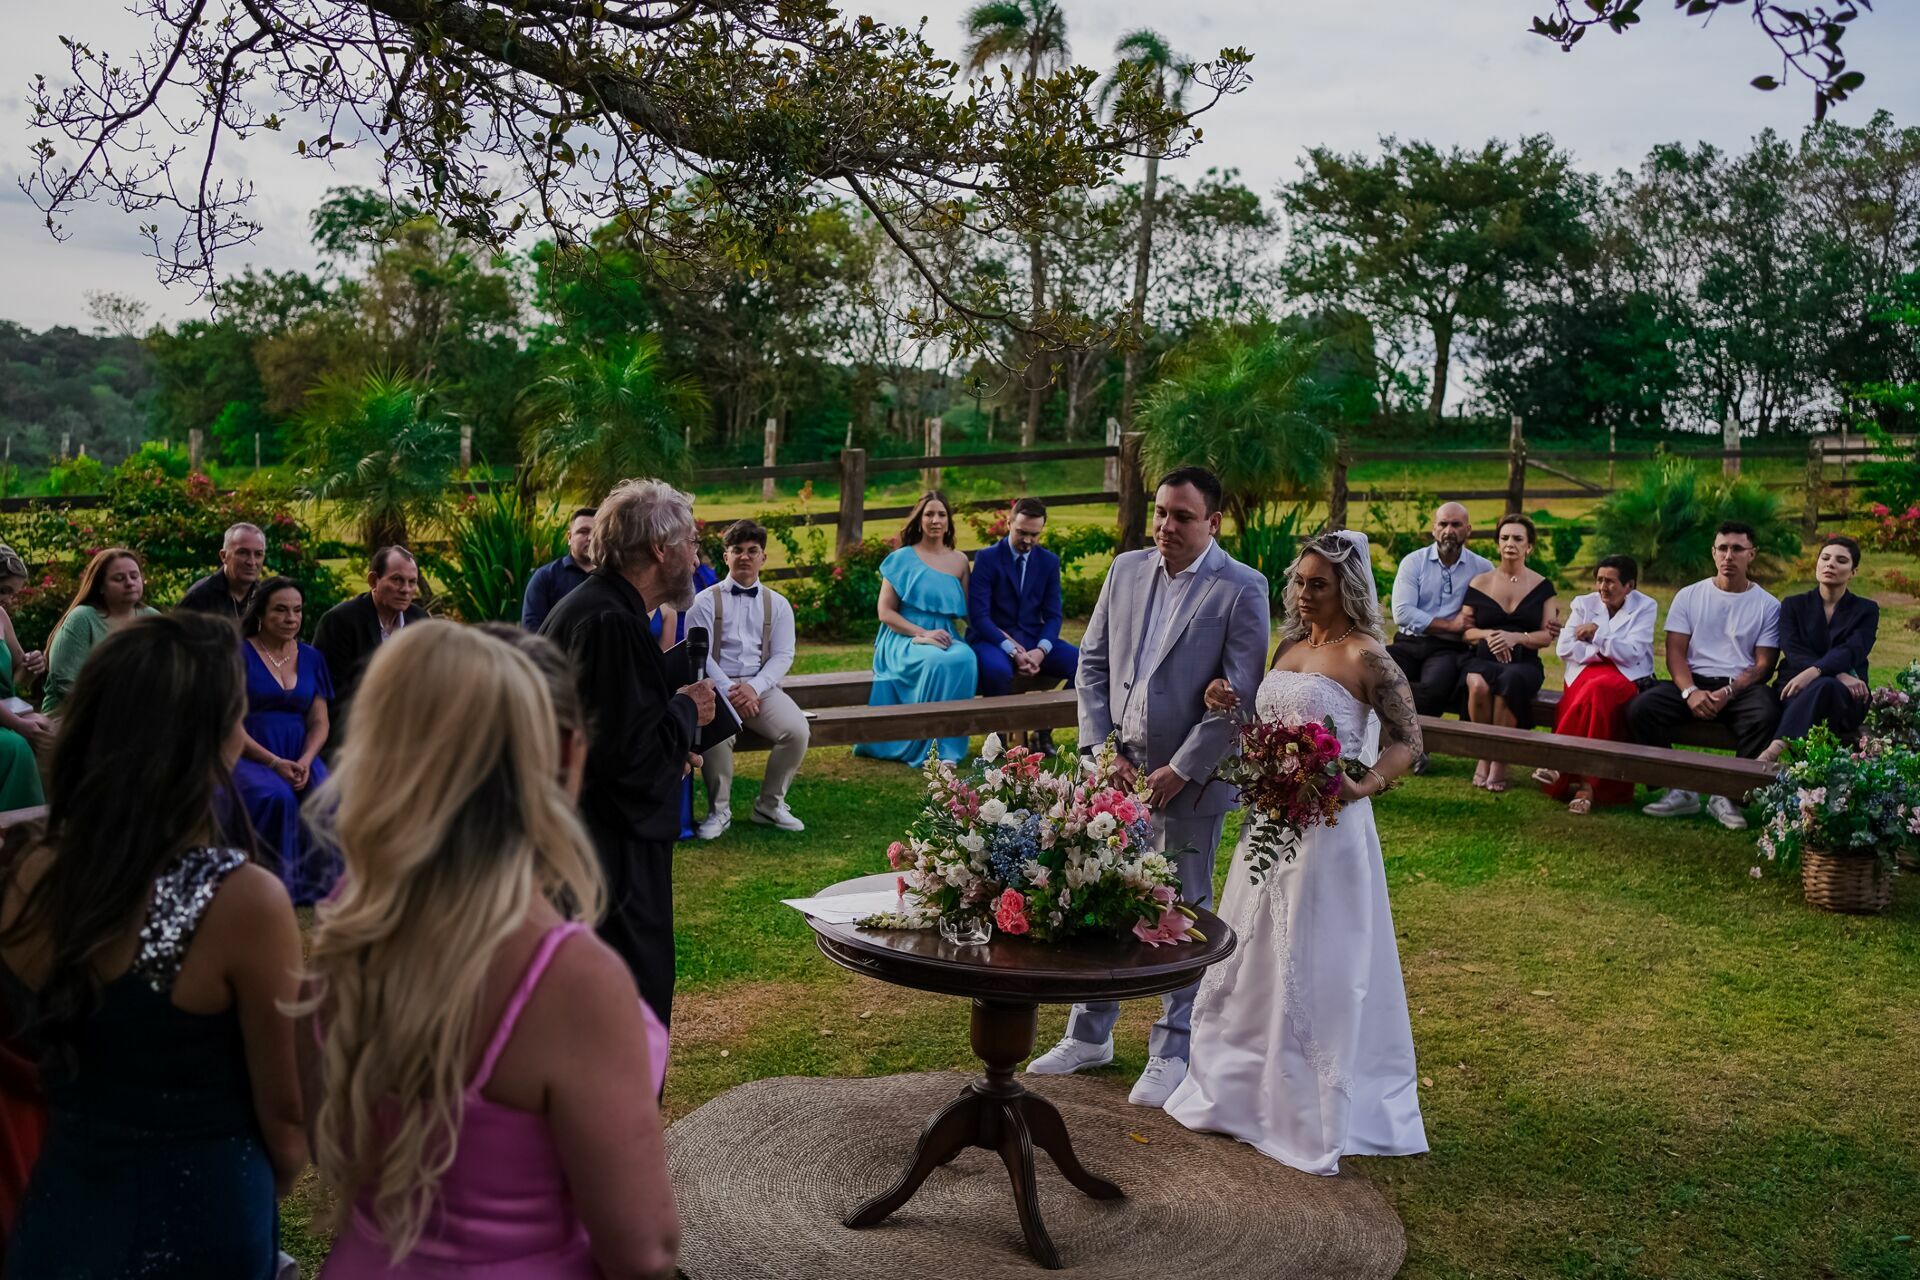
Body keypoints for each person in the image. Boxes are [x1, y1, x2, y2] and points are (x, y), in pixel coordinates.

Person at [300, 623, 679, 1280]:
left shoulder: (346, 927)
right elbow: (643, 1251)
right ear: (566, 753)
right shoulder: (569, 977)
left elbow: (321, 1134)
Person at [0, 612, 306, 1277]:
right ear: (208, 736)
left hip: (63, 1205)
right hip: (202, 1215)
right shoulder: (241, 900)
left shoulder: (24, 869)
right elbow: (286, 1117)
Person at [1163, 530, 1428, 1175]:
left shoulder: (1369, 658)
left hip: (1329, 833)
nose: (1305, 595)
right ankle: (1237, 1090)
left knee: (1317, 957)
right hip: (1269, 827)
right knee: (1253, 952)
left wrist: (1362, 784)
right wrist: (1230, 708)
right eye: (1301, 583)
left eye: (1320, 585)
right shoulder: (1289, 646)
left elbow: (1410, 741)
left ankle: (1308, 1104)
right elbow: (1267, 730)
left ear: (1348, 589)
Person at [1028, 467, 1270, 1106]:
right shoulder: (1126, 569)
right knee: (1099, 892)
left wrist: (1182, 768)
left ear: (1213, 523)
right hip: (1112, 773)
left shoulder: (1243, 590)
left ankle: (1173, 1046)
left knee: (1183, 908)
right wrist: (1101, 751)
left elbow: (1237, 696)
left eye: (1182, 517)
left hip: (1186, 785)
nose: (1166, 526)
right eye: (1161, 513)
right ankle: (1090, 1034)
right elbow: (1093, 665)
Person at [540, 479, 716, 1031]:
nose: (696, 555)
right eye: (690, 542)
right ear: (660, 549)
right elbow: (628, 761)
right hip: (608, 862)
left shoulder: (603, 612)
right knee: (628, 1002)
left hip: (587, 850)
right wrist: (686, 712)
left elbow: (618, 725)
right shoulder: (610, 623)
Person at [1628, 521, 1782, 830]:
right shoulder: (1689, 595)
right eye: (1722, 548)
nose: (1729, 556)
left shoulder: (1768, 605)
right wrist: (1690, 692)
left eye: (1737, 549)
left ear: (1752, 554)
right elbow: (1674, 653)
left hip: (1740, 689)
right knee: (1641, 708)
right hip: (1693, 681)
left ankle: (1729, 794)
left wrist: (1728, 692)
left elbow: (1763, 665)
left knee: (1767, 710)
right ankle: (1678, 789)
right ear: (1713, 553)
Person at [685, 520, 809, 838]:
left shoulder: (778, 604)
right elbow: (698, 655)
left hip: (760, 687)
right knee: (716, 735)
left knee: (796, 731)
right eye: (737, 550)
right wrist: (729, 689)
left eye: (752, 551)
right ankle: (719, 811)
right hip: (716, 687)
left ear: (763, 558)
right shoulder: (703, 602)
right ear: (726, 556)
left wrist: (753, 688)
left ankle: (769, 806)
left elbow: (783, 655)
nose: (744, 557)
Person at [853, 491, 979, 765]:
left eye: (941, 514)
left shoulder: (959, 561)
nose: (935, 520)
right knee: (935, 662)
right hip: (903, 636)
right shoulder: (901, 558)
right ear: (919, 520)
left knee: (966, 657)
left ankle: (947, 747)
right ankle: (925, 746)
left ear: (949, 521)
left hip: (944, 634)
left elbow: (971, 613)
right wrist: (922, 633)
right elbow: (885, 613)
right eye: (929, 514)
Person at [233, 577, 337, 905]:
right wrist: (273, 762)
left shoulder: (312, 658)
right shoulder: (237, 654)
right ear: (260, 613)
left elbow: (320, 720)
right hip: (250, 753)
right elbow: (229, 724)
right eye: (280, 610)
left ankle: (319, 886)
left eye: (297, 610)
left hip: (300, 753)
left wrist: (306, 760)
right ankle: (272, 887)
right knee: (276, 798)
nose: (291, 617)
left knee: (326, 797)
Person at [1537, 555, 1658, 813]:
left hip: (1626, 676)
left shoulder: (1645, 606)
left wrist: (1595, 635)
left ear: (1630, 586)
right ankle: (1587, 788)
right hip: (1584, 674)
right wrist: (1605, 650)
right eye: (1599, 580)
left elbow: (1633, 653)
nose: (1603, 587)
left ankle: (1560, 763)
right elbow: (1565, 648)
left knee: (1598, 691)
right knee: (1593, 694)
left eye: (1611, 581)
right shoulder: (1583, 604)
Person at [1457, 514, 1561, 792]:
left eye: (1517, 539)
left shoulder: (1543, 587)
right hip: (1483, 658)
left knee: (1510, 682)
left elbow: (1546, 636)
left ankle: (1500, 761)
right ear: (1497, 544)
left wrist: (1515, 637)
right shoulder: (1480, 582)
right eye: (1504, 538)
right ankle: (1484, 754)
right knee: (1477, 683)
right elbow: (1467, 631)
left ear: (1530, 547)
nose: (1510, 544)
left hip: (1523, 662)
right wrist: (1489, 634)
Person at [1761, 535, 1878, 764]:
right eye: (1825, 558)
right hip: (1795, 688)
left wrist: (1815, 672)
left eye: (1841, 560)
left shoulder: (1866, 609)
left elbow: (1853, 649)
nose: (1830, 564)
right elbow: (1793, 649)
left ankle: (1775, 749)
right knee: (1825, 684)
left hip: (1849, 695)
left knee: (1826, 686)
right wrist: (1835, 673)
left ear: (1853, 571)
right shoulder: (1793, 605)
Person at [1387, 502, 1493, 727]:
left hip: (1447, 649)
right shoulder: (1413, 562)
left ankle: (1415, 747)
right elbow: (1402, 613)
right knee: (1380, 676)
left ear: (1468, 530)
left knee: (1434, 688)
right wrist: (1452, 625)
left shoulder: (1483, 568)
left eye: (1456, 524)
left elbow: (1495, 609)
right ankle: (1384, 742)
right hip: (1408, 642)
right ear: (1434, 529)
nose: (1449, 531)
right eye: (1443, 524)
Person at [312, 546, 427, 750]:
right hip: (354, 735)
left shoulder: (419, 621)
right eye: (397, 580)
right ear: (373, 581)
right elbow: (333, 695)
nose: (406, 589)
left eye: (412, 582)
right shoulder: (340, 621)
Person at [967, 497, 1078, 701]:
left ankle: (1044, 729)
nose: (1028, 540)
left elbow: (1054, 616)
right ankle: (997, 732)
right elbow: (978, 617)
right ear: (1009, 524)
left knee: (1086, 665)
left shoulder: (1049, 562)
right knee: (997, 672)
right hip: (992, 640)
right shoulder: (986, 558)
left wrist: (1041, 650)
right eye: (1022, 532)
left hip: (1034, 638)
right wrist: (1012, 650)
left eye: (1034, 534)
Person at [41, 547, 160, 716]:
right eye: (119, 578)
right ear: (100, 587)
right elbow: (66, 684)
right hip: (74, 718)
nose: (129, 583)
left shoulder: (153, 619)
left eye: (134, 576)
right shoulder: (82, 619)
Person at [0, 548, 50, 811]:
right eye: (3, 590)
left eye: (13, 593)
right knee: (15, 746)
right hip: (5, 716)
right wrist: (19, 725)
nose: (8, 599)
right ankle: (17, 828)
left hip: (6, 708)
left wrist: (34, 663)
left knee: (48, 728)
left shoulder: (1, 617)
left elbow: (19, 673)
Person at [522, 507, 598, 633]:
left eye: (596, 532)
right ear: (569, 537)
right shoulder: (545, 577)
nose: (590, 537)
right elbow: (532, 627)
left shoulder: (615, 577)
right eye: (583, 531)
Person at [176, 522, 268, 623]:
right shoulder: (200, 598)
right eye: (242, 552)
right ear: (224, 556)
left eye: (258, 554)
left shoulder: (265, 597)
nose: (251, 562)